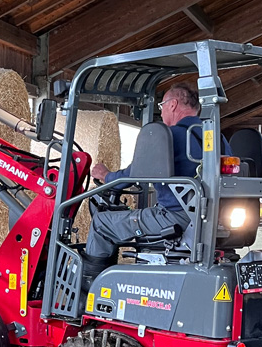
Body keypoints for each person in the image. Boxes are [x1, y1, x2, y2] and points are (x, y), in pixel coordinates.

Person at [85, 83, 231, 264]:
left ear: (173, 104)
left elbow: (132, 175)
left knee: (102, 223)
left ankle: (89, 286)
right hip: (214, 219)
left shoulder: (168, 136)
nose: (161, 112)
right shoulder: (219, 139)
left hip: (175, 217)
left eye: (162, 106)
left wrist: (106, 176)